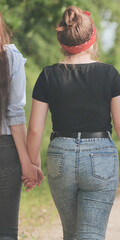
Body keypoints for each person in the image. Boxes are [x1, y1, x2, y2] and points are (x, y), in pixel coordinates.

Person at [27, 6, 120, 240]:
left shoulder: (48, 75)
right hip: (100, 158)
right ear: (92, 39)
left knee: (71, 234)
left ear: (62, 40)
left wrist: (33, 163)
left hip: (60, 157)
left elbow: (35, 128)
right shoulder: (110, 74)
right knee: (91, 235)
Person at [0, 12, 43, 240]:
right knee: (6, 231)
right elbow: (15, 112)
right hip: (5, 150)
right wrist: (27, 163)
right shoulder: (10, 57)